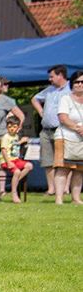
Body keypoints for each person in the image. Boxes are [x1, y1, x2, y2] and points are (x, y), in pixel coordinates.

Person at [33, 65, 69, 200]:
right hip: (46, 130)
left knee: (65, 160)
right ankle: (51, 188)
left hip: (63, 130)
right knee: (47, 161)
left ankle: (65, 188)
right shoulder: (49, 90)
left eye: (52, 76)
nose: (49, 79)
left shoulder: (71, 90)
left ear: (60, 75)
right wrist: (42, 112)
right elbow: (35, 99)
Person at [54, 69, 83, 205]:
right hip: (65, 137)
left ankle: (76, 198)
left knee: (79, 169)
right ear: (72, 83)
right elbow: (63, 118)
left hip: (81, 141)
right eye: (76, 82)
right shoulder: (65, 99)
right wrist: (79, 128)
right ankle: (59, 199)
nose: (79, 84)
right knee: (63, 168)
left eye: (82, 82)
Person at [0, 116, 32, 203]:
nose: (12, 129)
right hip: (6, 160)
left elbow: (13, 145)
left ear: (18, 128)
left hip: (16, 159)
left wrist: (21, 141)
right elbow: (4, 150)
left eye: (14, 127)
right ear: (6, 127)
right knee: (17, 172)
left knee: (29, 166)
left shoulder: (16, 136)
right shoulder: (5, 137)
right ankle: (14, 192)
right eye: (10, 127)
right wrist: (8, 162)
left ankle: (15, 181)